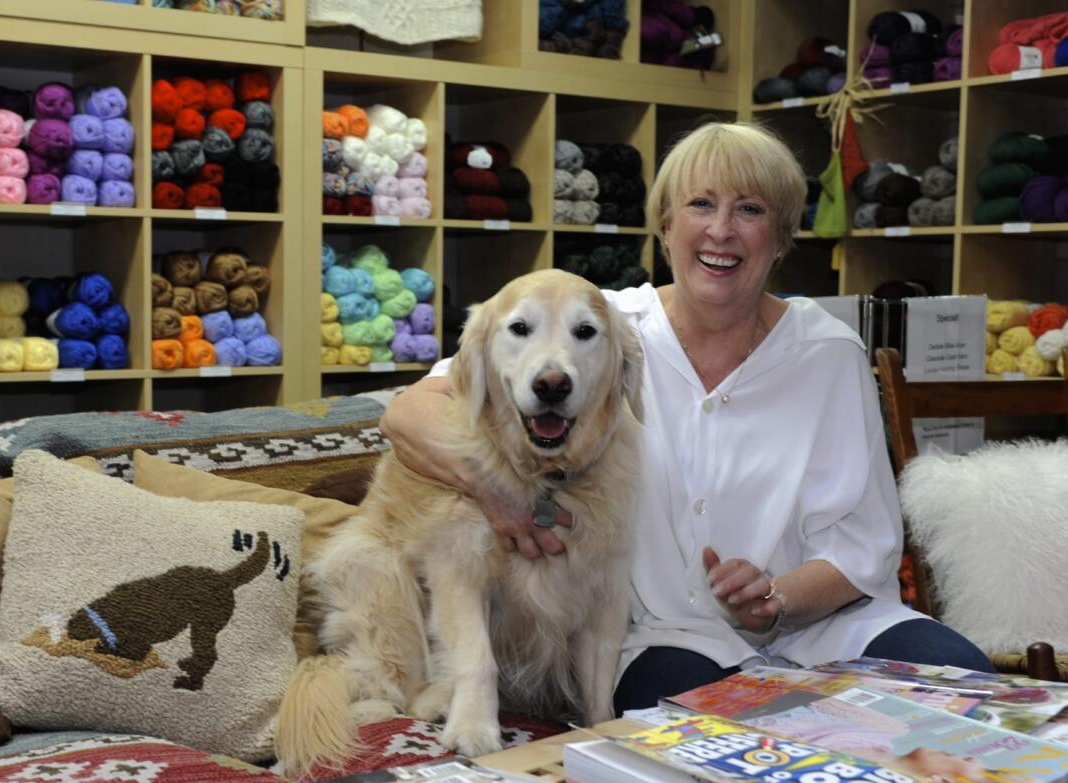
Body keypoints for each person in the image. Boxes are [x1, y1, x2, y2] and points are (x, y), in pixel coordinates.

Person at [379, 121, 993, 716]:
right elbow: (410, 414)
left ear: (780, 237)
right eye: (700, 204)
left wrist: (776, 600)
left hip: (827, 629)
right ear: (666, 226)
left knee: (971, 690)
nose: (721, 231)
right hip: (665, 638)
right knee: (707, 722)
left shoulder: (828, 353)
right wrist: (495, 494)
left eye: (750, 210)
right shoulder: (600, 329)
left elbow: (863, 545)